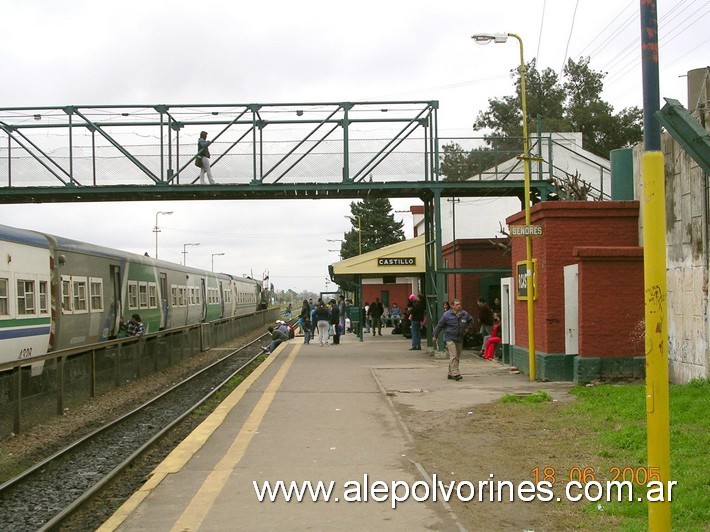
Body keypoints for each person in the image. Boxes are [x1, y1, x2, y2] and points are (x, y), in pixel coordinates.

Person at [432, 299, 473, 381]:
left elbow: (471, 320)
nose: (459, 306)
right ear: (452, 306)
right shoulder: (447, 315)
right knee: (453, 355)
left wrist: (468, 328)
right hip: (450, 338)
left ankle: (450, 372)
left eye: (459, 304)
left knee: (457, 356)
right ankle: (455, 373)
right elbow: (439, 325)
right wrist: (435, 335)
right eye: (457, 304)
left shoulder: (464, 314)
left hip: (460, 338)